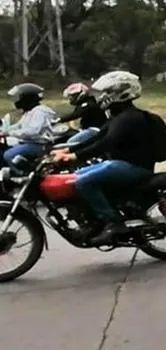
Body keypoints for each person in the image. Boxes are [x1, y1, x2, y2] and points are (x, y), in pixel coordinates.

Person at [51, 71, 156, 245]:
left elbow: (106, 143)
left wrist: (74, 156)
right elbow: (97, 137)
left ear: (119, 93)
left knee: (84, 182)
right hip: (119, 163)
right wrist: (67, 149)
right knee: (75, 177)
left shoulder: (130, 117)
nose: (101, 97)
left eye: (106, 92)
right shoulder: (118, 116)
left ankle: (114, 223)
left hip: (134, 167)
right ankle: (94, 220)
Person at [3, 83, 57, 168]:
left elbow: (33, 131)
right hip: (29, 142)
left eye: (20, 97)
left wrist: (10, 134)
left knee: (8, 155)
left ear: (27, 98)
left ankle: (22, 175)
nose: (17, 101)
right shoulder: (30, 111)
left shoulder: (39, 112)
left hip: (38, 145)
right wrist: (4, 131)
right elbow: (19, 125)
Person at [56, 82, 107, 146]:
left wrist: (59, 119)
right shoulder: (84, 104)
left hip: (94, 130)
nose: (70, 98)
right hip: (88, 129)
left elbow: (75, 115)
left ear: (81, 94)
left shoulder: (88, 104)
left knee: (71, 141)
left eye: (73, 96)